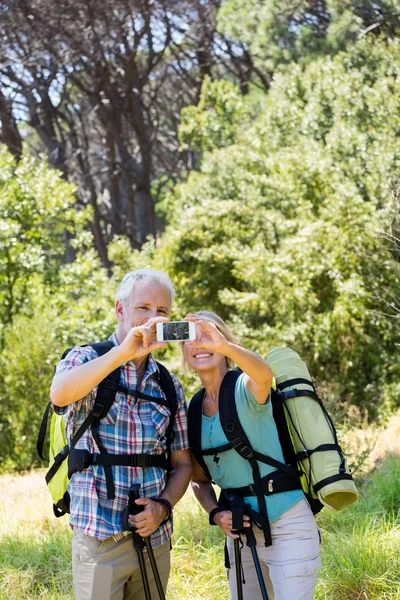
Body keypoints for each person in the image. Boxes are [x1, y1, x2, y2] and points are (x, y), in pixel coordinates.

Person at [50, 269, 192, 600]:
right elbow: (60, 393)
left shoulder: (169, 385)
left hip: (154, 540)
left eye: (162, 311)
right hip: (99, 538)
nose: (153, 318)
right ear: (120, 310)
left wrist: (163, 506)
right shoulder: (87, 358)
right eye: (143, 308)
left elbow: (182, 463)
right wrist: (124, 353)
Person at [183, 311, 321, 600]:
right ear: (185, 354)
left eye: (209, 335)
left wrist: (224, 345)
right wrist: (215, 513)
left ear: (224, 343)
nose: (201, 343)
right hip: (242, 535)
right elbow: (199, 481)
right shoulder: (192, 410)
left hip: (288, 525)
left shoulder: (245, 387)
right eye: (191, 338)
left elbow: (263, 373)